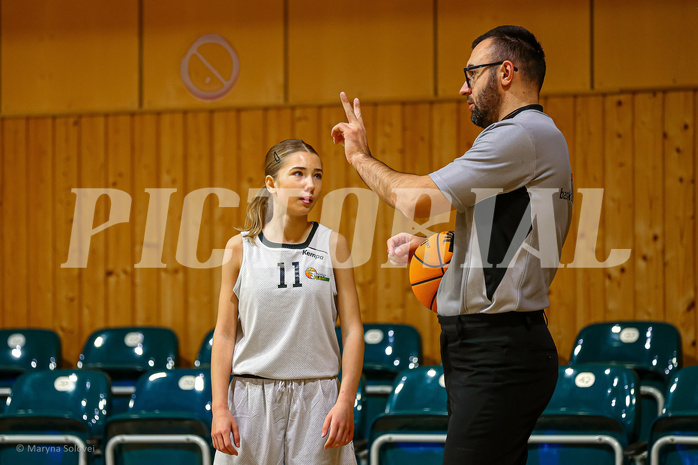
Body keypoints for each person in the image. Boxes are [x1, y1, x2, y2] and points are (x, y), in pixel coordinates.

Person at [331, 26, 572, 464]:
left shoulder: (520, 134)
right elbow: (514, 230)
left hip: (498, 351)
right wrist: (435, 247)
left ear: (505, 72)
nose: (463, 87)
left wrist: (359, 158)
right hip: (491, 347)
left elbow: (415, 199)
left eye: (471, 72)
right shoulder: (532, 135)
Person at [210, 139, 364, 465]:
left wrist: (345, 400)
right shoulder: (239, 249)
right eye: (299, 174)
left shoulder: (333, 245)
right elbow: (224, 335)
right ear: (271, 184)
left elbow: (352, 330)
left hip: (318, 399)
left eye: (318, 175)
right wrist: (220, 408)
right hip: (251, 400)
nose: (311, 184)